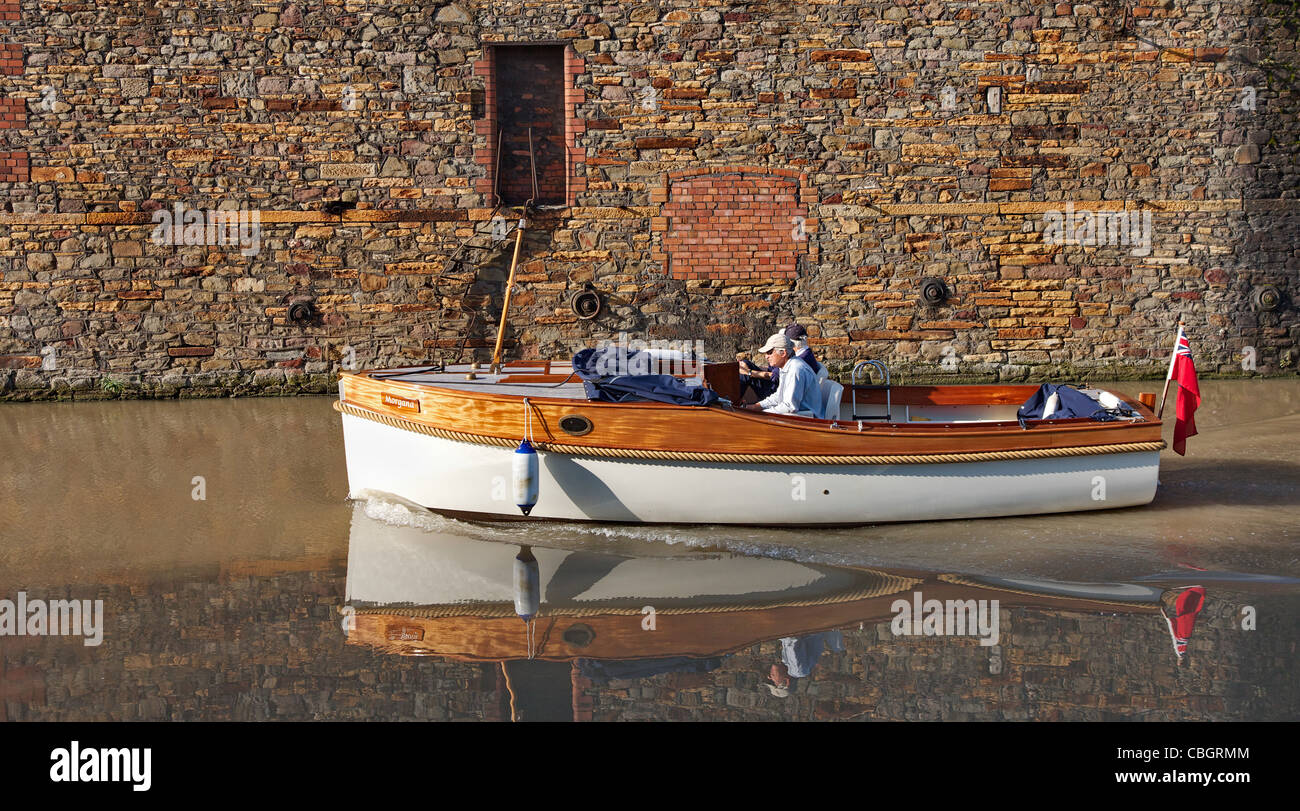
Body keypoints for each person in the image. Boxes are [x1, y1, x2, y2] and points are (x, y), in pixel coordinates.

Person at [743, 333, 821, 416]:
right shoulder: (785, 366)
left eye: (769, 352)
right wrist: (755, 407)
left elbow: (789, 407)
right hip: (797, 417)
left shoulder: (795, 369)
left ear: (783, 353)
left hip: (807, 421)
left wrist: (760, 414)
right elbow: (779, 397)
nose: (766, 357)